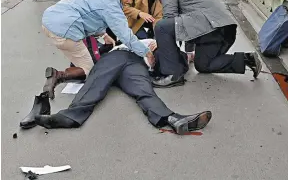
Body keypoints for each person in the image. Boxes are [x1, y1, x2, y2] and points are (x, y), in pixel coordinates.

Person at [32, 47, 212, 135]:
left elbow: (182, 58)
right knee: (97, 83)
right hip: (117, 55)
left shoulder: (155, 60)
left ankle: (172, 118)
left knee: (144, 91)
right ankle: (70, 116)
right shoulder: (141, 42)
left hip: (136, 65)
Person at [39, 0, 156, 100]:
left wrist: (104, 34)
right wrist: (146, 52)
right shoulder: (112, 6)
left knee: (82, 57)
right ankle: (57, 75)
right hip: (65, 30)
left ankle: (67, 72)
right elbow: (126, 35)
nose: (128, 3)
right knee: (89, 70)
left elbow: (90, 13)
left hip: (49, 20)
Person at [151, 0, 262, 87]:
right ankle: (247, 59)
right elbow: (186, 25)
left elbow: (170, 18)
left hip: (211, 26)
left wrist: (161, 42)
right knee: (203, 65)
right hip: (223, 29)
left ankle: (173, 74)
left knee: (161, 26)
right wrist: (189, 52)